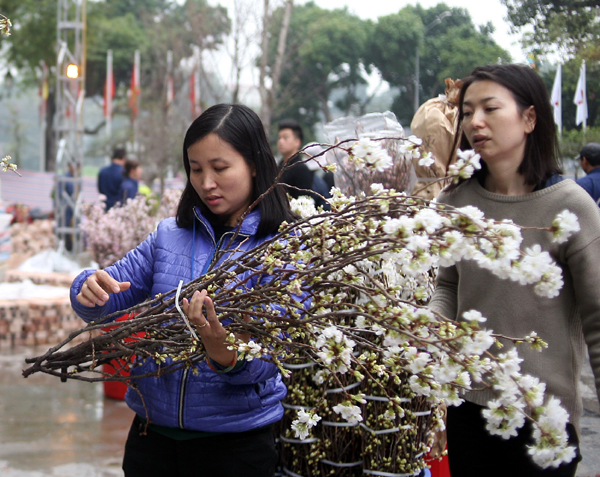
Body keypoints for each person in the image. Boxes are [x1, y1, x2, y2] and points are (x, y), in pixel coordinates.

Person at [70, 104, 298, 477]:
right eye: (195, 169)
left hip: (234, 448)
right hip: (152, 440)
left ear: (255, 164)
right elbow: (109, 294)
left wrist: (224, 352)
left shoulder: (282, 248)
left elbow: (278, 352)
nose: (206, 182)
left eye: (220, 168)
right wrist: (89, 287)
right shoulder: (168, 236)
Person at [428, 64, 600, 477]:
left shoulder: (570, 207)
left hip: (544, 416)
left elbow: (598, 319)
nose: (475, 122)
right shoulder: (455, 201)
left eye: (490, 108)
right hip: (469, 408)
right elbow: (449, 283)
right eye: (467, 112)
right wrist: (431, 325)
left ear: (529, 118)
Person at [277, 120, 329, 208]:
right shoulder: (278, 166)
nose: (281, 141)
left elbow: (304, 201)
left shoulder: (301, 169)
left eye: (285, 138)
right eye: (279, 138)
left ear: (297, 142)